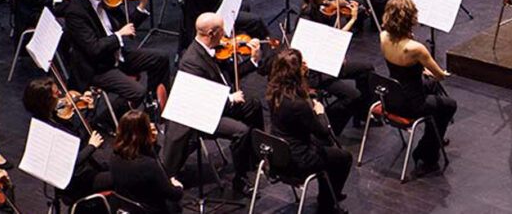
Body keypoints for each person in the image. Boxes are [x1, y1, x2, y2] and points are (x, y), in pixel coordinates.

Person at [161, 13, 265, 196]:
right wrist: (230, 99)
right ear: (211, 33)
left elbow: (228, 77)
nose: (226, 34)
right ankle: (239, 180)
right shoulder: (191, 62)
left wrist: (253, 60)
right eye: (222, 30)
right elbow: (201, 99)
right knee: (241, 131)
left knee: (254, 105)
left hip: (218, 102)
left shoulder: (213, 49)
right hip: (202, 113)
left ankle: (257, 157)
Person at [62, 0, 170, 108]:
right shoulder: (76, 12)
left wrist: (142, 5)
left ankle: (153, 104)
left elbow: (127, 27)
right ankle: (104, 123)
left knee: (160, 58)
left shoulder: (106, 1)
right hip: (98, 68)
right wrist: (119, 35)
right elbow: (94, 48)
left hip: (117, 55)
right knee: (137, 92)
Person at [266, 49, 353, 213]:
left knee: (325, 150)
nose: (305, 64)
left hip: (277, 153)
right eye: (302, 63)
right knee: (343, 158)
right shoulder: (298, 105)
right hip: (298, 160)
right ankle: (326, 204)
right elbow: (322, 132)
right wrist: (319, 112)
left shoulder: (272, 92)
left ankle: (329, 191)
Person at [380, 0, 456, 173]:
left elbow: (402, 65)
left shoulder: (383, 36)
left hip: (392, 96)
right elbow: (439, 76)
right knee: (449, 106)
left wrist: (421, 69)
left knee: (432, 88)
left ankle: (435, 135)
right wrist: (441, 73)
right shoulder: (416, 48)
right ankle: (426, 152)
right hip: (411, 104)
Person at [296, 0, 374, 122]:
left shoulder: (317, 9)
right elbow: (333, 40)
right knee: (352, 96)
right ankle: (327, 124)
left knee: (367, 69)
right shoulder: (307, 19)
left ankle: (362, 114)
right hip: (315, 72)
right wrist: (352, 20)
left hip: (326, 61)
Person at [22, 78, 110, 204]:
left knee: (116, 168)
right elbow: (69, 165)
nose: (61, 94)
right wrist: (91, 146)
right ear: (46, 101)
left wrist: (90, 109)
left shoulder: (51, 114)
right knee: (121, 176)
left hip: (87, 167)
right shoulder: (51, 129)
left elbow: (80, 133)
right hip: (77, 181)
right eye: (56, 93)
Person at [110, 110, 183, 213]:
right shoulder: (148, 165)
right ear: (143, 133)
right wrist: (178, 186)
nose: (152, 125)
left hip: (126, 207)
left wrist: (151, 144)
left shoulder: (114, 156)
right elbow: (174, 195)